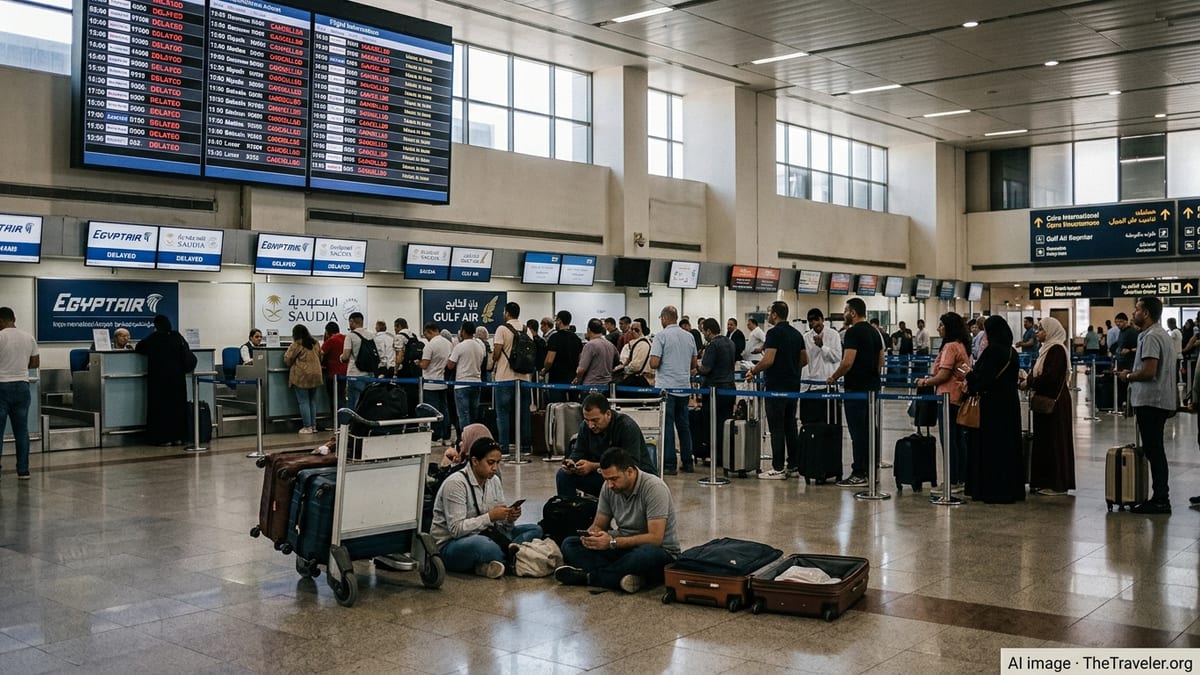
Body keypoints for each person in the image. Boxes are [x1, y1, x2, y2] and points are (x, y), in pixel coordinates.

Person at [555, 447, 679, 593]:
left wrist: (612, 542)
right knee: (570, 544)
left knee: (645, 555)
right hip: (622, 547)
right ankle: (629, 576)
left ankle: (590, 577)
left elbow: (655, 538)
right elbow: (599, 525)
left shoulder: (654, 488)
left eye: (614, 479)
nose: (609, 485)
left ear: (630, 472)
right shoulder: (608, 488)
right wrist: (592, 537)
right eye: (606, 479)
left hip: (658, 551)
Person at [430, 437, 543, 578]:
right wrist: (490, 516)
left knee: (535, 530)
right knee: (483, 545)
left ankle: (497, 561)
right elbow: (456, 530)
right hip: (453, 545)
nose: (495, 468)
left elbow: (502, 527)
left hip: (489, 534)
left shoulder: (494, 480)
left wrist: (509, 518)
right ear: (475, 461)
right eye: (490, 463)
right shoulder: (456, 484)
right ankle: (518, 557)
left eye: (498, 463)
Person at [1120, 296, 1176, 514]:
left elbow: (1149, 371)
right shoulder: (1161, 335)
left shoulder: (1151, 337)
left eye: (1137, 309)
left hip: (1151, 401)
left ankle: (1161, 498)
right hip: (1159, 400)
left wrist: (1128, 375)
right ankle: (1160, 495)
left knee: (1154, 450)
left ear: (1146, 314)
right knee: (1155, 449)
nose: (1134, 313)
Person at [964, 316, 1025, 504]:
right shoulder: (1012, 352)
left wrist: (969, 374)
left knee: (992, 448)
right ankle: (1011, 489)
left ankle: (992, 489)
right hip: (1010, 404)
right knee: (1008, 446)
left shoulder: (992, 351)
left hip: (992, 405)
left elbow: (983, 379)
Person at [747, 301, 807, 479]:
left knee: (776, 426)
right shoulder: (797, 334)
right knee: (790, 425)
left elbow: (768, 359)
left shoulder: (773, 333)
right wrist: (791, 369)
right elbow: (804, 359)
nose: (768, 315)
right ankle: (794, 465)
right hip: (793, 386)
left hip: (776, 387)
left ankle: (778, 467)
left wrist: (753, 370)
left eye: (769, 312)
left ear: (775, 315)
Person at [557, 393, 655, 497]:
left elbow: (631, 465)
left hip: (630, 479)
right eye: (586, 420)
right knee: (563, 475)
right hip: (604, 477)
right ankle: (568, 510)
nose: (590, 425)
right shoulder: (585, 427)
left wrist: (593, 466)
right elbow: (578, 452)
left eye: (595, 420)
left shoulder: (627, 427)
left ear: (608, 414)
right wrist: (572, 463)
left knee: (620, 478)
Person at [830, 298, 883, 488]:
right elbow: (881, 361)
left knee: (858, 432)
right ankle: (871, 470)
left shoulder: (852, 332)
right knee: (870, 430)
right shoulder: (875, 332)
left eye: (846, 310)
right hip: (872, 388)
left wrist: (833, 377)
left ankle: (859, 472)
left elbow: (847, 362)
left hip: (856, 390)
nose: (844, 313)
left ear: (853, 313)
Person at [915, 313, 971, 491]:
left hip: (947, 398)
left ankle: (951, 480)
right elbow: (963, 371)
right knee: (958, 440)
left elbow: (944, 374)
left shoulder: (949, 347)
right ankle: (961, 477)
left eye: (941, 325)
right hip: (958, 398)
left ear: (949, 327)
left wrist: (925, 382)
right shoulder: (962, 346)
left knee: (948, 440)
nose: (938, 328)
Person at [1024, 317, 1075, 497]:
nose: (1038, 332)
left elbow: (1050, 377)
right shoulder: (1045, 350)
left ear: (1051, 331)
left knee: (1055, 441)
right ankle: (1044, 481)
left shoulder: (1057, 350)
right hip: (1046, 400)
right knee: (1045, 441)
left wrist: (1030, 382)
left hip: (1055, 402)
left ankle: (1057, 483)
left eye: (1041, 329)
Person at [649, 305, 698, 475]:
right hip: (684, 387)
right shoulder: (689, 336)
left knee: (667, 426)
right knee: (684, 426)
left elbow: (653, 363)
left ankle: (669, 464)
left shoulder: (661, 336)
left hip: (666, 388)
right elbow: (693, 364)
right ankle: (687, 462)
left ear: (664, 318)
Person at [135, 314, 195, 446]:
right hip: (178, 379)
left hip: (159, 380)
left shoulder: (154, 338)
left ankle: (163, 438)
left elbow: (139, 347)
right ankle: (178, 437)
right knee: (178, 408)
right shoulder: (177, 336)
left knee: (161, 409)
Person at [0, 307, 39, 479]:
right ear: (13, 318)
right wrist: (20, 367)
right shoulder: (28, 337)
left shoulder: (0, 336)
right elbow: (35, 362)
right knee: (22, 431)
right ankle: (23, 471)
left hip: (1, 386)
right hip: (23, 387)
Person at [492, 302, 533, 456]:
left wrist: (493, 361)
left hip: (504, 377)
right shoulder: (526, 329)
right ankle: (525, 447)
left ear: (507, 313)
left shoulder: (502, 329)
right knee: (524, 412)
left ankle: (504, 448)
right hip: (524, 377)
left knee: (502, 413)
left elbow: (496, 353)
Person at [696, 318, 736, 465]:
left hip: (714, 390)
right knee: (725, 423)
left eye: (703, 331)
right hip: (730, 388)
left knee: (712, 424)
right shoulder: (730, 342)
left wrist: (696, 367)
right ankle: (726, 455)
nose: (704, 334)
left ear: (708, 331)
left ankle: (715, 456)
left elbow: (706, 369)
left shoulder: (713, 345)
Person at [800, 308, 843, 425]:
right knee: (810, 423)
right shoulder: (806, 337)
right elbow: (805, 360)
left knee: (829, 422)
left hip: (828, 385)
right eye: (810, 321)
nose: (814, 323)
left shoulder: (833, 335)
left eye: (816, 319)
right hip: (809, 385)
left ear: (822, 319)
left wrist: (822, 346)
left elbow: (837, 357)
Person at [447, 321, 487, 433]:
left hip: (462, 385)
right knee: (474, 415)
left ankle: (465, 441)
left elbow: (450, 365)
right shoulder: (479, 347)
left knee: (463, 415)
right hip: (476, 383)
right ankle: (473, 439)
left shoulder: (459, 347)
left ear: (463, 331)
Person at [283, 324, 324, 434]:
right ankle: (314, 426)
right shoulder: (315, 343)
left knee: (303, 401)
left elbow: (288, 359)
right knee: (312, 401)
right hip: (316, 375)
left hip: (302, 376)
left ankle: (307, 426)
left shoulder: (296, 345)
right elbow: (321, 356)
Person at [419, 322, 453, 445]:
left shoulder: (430, 345)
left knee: (432, 412)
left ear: (430, 331)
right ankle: (446, 437)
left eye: (425, 334)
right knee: (444, 410)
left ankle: (435, 438)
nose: (426, 337)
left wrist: (418, 362)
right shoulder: (449, 344)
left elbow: (425, 364)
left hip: (430, 383)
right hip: (443, 382)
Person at [541, 310, 581, 404]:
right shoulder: (576, 339)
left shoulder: (554, 338)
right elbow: (580, 359)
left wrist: (544, 370)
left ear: (559, 320)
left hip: (557, 378)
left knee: (557, 407)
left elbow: (549, 360)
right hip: (572, 378)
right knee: (574, 407)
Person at [339, 312, 375, 411]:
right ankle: (367, 425)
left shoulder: (350, 336)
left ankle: (354, 425)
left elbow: (345, 356)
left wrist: (341, 358)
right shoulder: (371, 335)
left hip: (355, 374)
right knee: (368, 403)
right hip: (370, 374)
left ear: (351, 321)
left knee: (354, 404)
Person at [574, 318, 618, 387]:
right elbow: (616, 362)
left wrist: (577, 380)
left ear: (588, 330)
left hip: (591, 385)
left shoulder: (590, 345)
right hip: (607, 385)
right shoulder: (610, 345)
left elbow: (581, 369)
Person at [614, 320, 653, 388]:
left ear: (642, 330)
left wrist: (624, 369)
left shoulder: (642, 344)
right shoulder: (638, 343)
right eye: (631, 329)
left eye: (636, 330)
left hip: (640, 379)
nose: (633, 332)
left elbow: (636, 366)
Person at [321, 322, 347, 410]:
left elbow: (321, 353)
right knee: (342, 397)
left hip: (333, 374)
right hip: (345, 373)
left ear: (327, 332)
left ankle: (336, 420)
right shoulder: (345, 338)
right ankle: (343, 420)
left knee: (334, 399)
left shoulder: (331, 340)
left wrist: (325, 339)